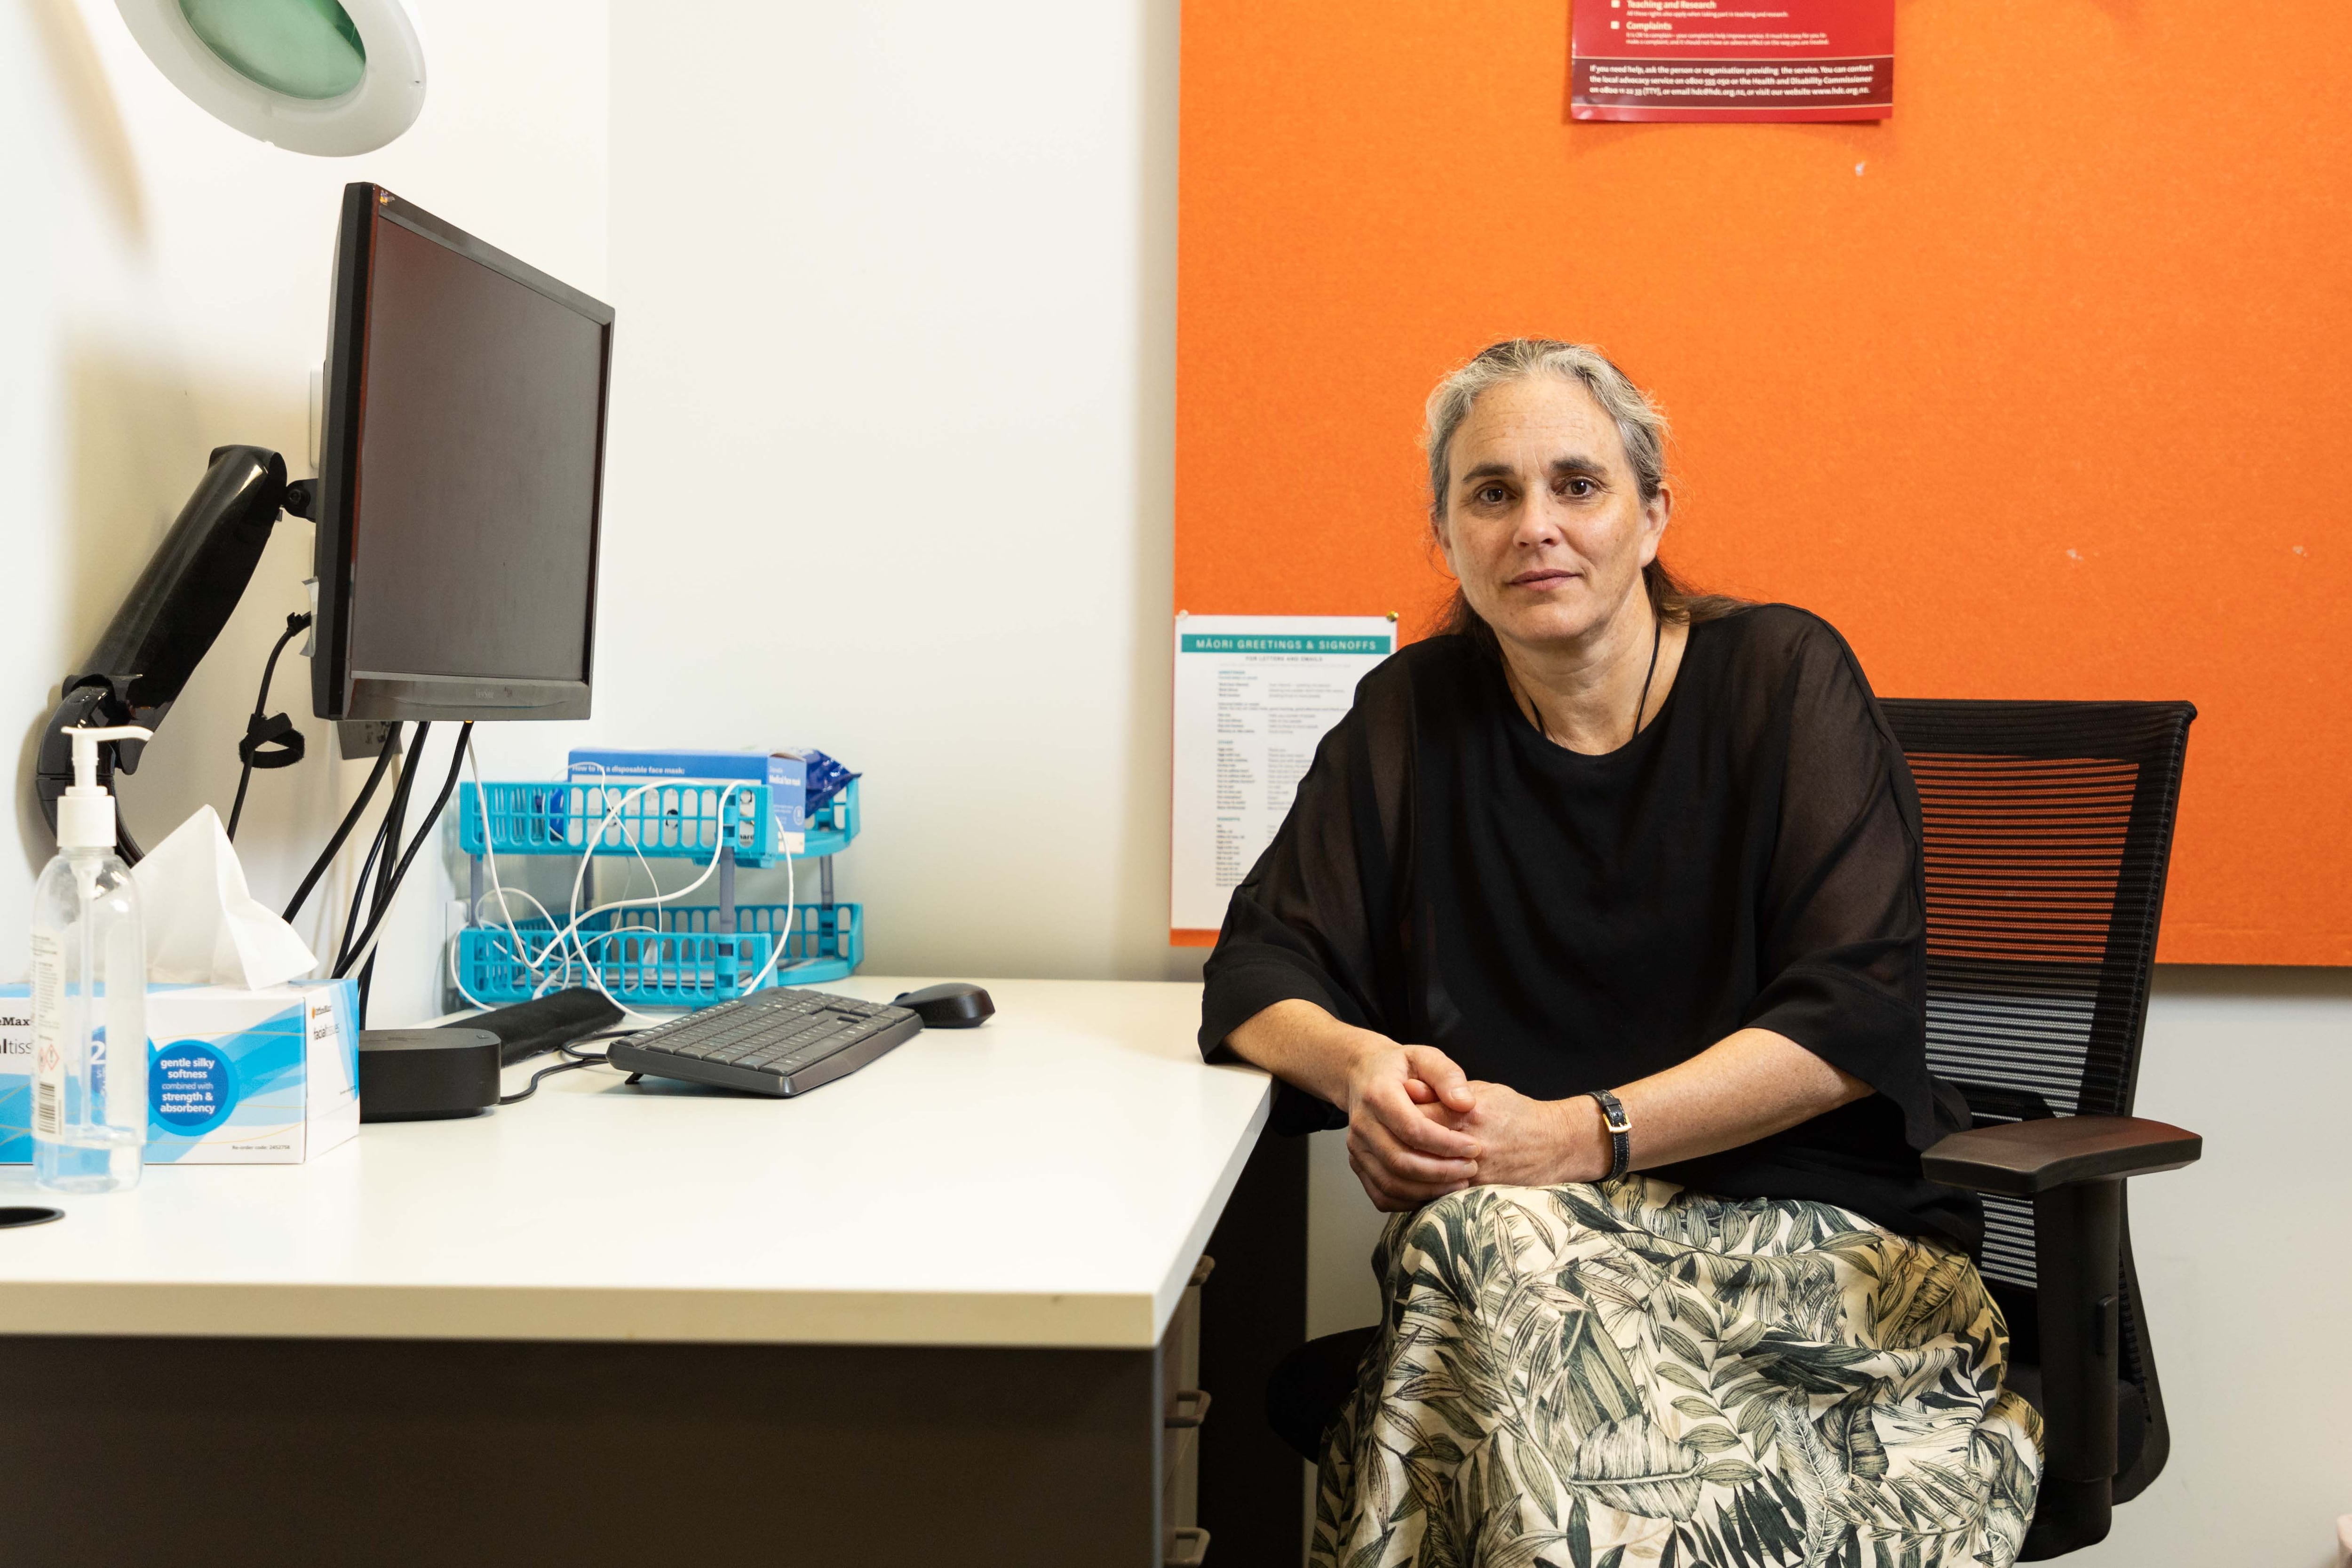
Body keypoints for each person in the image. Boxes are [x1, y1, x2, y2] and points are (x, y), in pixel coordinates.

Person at [1199, 340, 2042, 1568]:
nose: (1535, 524)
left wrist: (1575, 1138)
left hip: (1824, 1258)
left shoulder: (1784, 678)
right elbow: (1258, 977)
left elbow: (1850, 1017)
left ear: (1652, 516)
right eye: (1491, 493)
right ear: (1447, 537)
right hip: (1528, 1266)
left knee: (1471, 1242)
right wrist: (1365, 1069)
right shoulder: (1412, 715)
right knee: (1479, 1244)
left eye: (1577, 485)